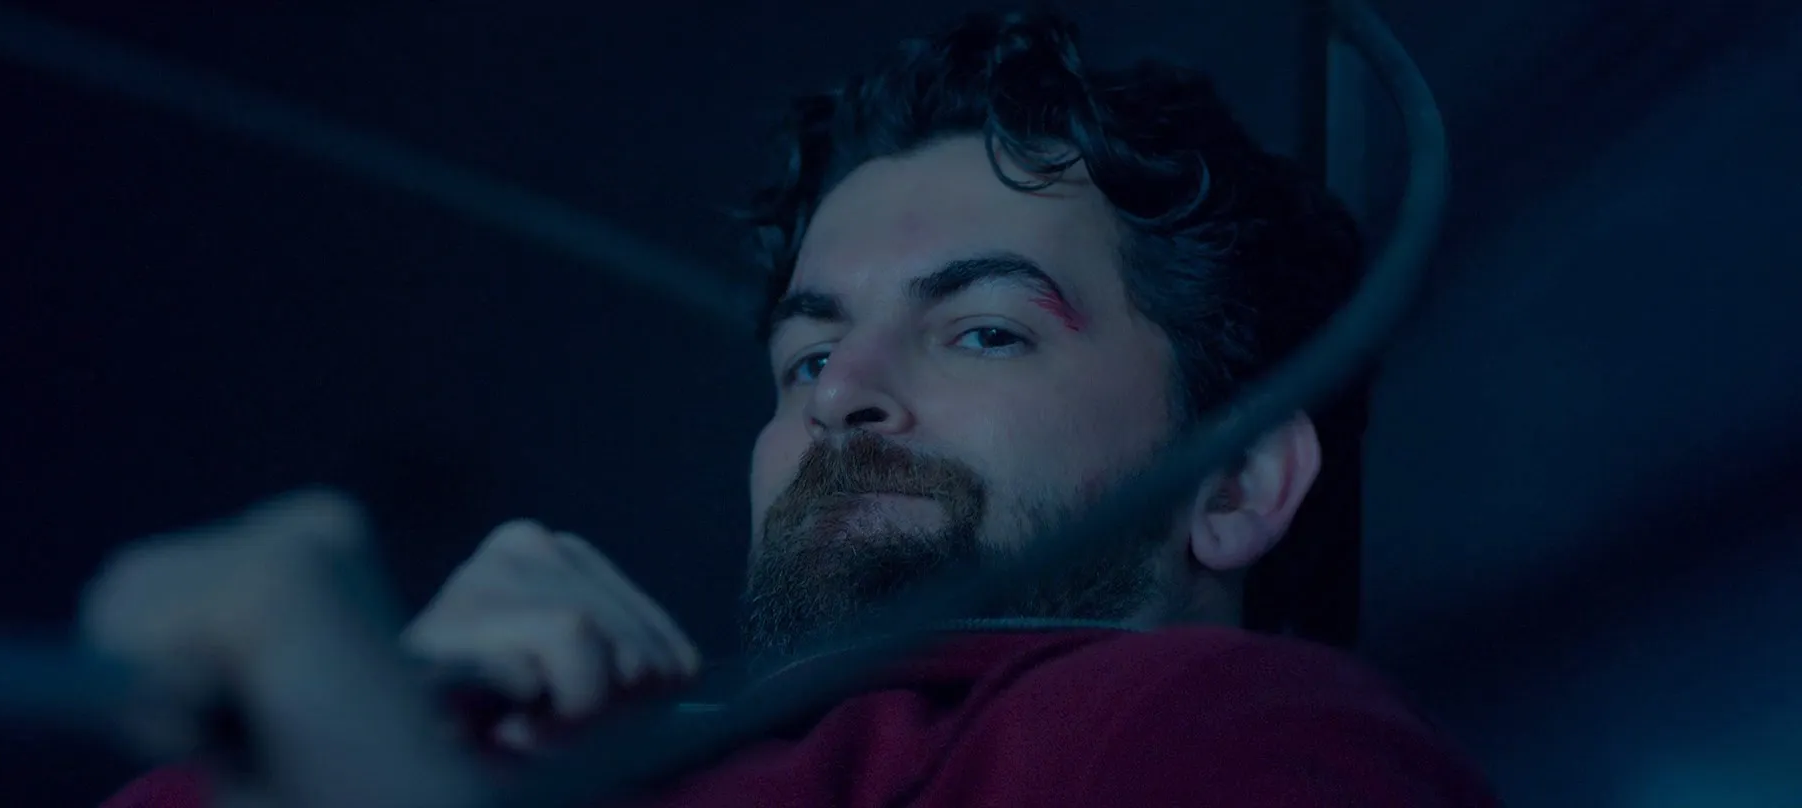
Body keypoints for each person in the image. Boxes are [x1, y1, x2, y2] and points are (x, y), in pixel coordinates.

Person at [87, 10, 1499, 808]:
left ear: (1236, 483)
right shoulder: (555, 753)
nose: (846, 397)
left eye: (984, 331)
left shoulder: (1213, 729)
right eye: (805, 359)